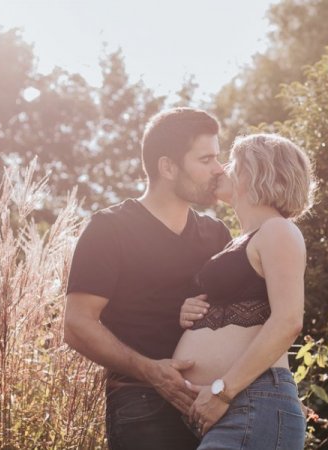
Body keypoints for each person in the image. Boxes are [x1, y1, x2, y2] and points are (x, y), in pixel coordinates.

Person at [64, 107, 232, 450]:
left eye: (218, 158)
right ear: (168, 166)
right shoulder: (109, 228)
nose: (219, 169)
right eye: (206, 159)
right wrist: (151, 371)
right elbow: (77, 324)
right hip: (143, 407)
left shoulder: (217, 234)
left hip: (213, 406)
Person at [174, 133, 316, 449]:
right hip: (237, 405)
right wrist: (193, 310)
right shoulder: (243, 240)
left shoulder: (278, 230)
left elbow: (288, 320)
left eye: (232, 162)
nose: (221, 168)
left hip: (253, 401)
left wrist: (223, 390)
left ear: (256, 171)